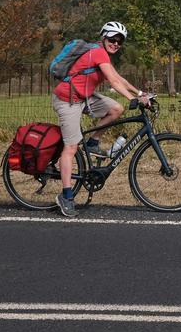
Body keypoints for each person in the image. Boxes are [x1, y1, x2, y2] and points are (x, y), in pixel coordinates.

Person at [51, 21, 151, 217]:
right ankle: (66, 196)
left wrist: (140, 92)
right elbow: (113, 82)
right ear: (104, 37)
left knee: (115, 109)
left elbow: (118, 78)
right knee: (70, 148)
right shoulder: (97, 52)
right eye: (113, 39)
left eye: (119, 41)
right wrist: (133, 99)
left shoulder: (102, 55)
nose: (116, 44)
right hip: (67, 99)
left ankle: (93, 142)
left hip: (84, 98)